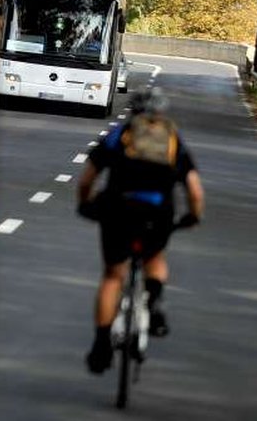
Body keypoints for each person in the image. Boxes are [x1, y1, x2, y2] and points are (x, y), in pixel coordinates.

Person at [76, 87, 204, 374]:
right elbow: (194, 190)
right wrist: (193, 216)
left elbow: (87, 180)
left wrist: (85, 203)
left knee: (112, 275)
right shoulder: (172, 138)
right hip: (158, 214)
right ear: (160, 113)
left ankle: (100, 345)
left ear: (133, 112)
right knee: (155, 257)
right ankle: (156, 300)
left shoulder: (118, 135)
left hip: (118, 211)